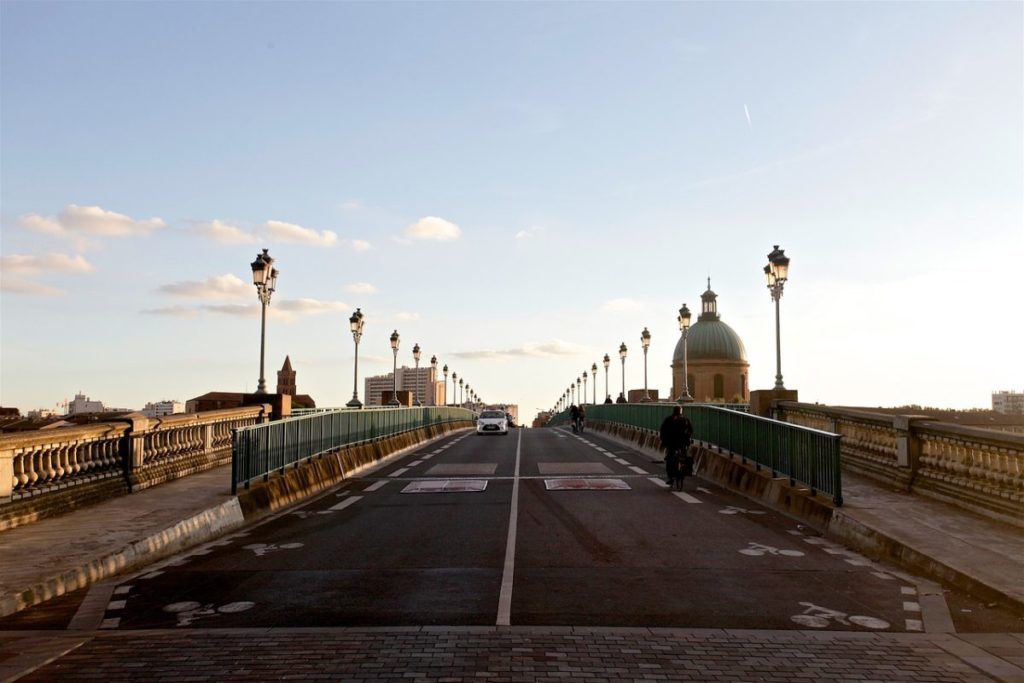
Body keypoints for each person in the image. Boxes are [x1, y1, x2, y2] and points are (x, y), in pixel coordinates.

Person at [659, 405, 694, 486]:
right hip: (683, 442)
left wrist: (664, 441)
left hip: (671, 443)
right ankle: (686, 470)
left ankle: (670, 478)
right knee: (684, 456)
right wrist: (687, 438)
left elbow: (663, 430)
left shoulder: (669, 419)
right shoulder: (685, 419)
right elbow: (690, 430)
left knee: (669, 458)